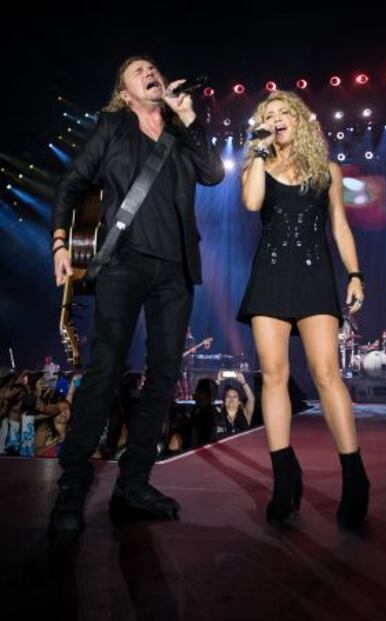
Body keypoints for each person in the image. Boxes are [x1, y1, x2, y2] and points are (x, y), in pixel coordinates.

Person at [50, 55, 224, 533]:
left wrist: (188, 117)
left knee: (164, 376)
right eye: (138, 71)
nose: (151, 72)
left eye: (154, 67)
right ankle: (72, 485)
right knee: (106, 368)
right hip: (123, 263)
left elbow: (213, 174)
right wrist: (60, 242)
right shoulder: (112, 126)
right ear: (125, 91)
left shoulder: (179, 129)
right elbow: (71, 184)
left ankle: (133, 484)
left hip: (175, 269)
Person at [237, 91, 369, 528]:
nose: (276, 119)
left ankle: (354, 476)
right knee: (273, 375)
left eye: (283, 113)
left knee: (325, 372)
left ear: (299, 120)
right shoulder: (257, 165)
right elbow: (253, 203)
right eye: (268, 115)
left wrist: (355, 274)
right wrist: (257, 151)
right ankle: (283, 475)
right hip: (271, 274)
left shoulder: (325, 170)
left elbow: (341, 228)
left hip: (314, 273)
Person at [214, 371, 255, 440]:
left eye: (235, 396)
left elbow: (251, 400)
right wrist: (217, 382)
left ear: (239, 402)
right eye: (228, 396)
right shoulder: (217, 414)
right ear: (224, 401)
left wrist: (243, 382)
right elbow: (207, 401)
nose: (231, 398)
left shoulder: (245, 415)